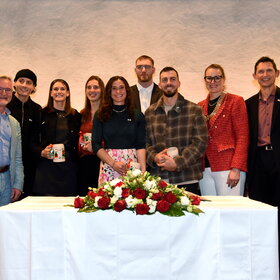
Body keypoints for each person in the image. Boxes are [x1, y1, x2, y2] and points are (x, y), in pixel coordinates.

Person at [145, 67, 208, 195]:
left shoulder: (194, 110)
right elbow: (143, 143)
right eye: (165, 80)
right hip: (158, 180)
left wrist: (177, 163)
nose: (169, 82)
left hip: (187, 179)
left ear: (179, 83)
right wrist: (154, 157)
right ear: (160, 84)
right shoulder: (150, 113)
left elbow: (200, 142)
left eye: (172, 79)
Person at [198, 64, 249, 196]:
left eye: (217, 77)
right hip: (205, 168)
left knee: (231, 211)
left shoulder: (235, 101)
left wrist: (236, 168)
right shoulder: (199, 106)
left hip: (228, 166)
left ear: (224, 79)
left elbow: (243, 136)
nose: (213, 82)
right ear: (204, 80)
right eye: (209, 78)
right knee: (210, 212)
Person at [92, 76, 146, 184]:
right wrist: (113, 163)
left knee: (132, 200)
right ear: (109, 92)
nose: (118, 91)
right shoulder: (100, 114)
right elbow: (95, 144)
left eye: (121, 87)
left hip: (132, 167)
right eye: (114, 88)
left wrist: (143, 171)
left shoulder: (137, 115)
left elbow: (140, 145)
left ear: (127, 90)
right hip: (109, 164)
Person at [31, 79, 81, 196]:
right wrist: (42, 152)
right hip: (46, 168)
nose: (59, 92)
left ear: (68, 93)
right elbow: (31, 142)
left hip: (69, 168)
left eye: (62, 89)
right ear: (51, 93)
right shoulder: (40, 114)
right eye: (56, 89)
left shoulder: (76, 116)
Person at [246, 56, 280, 205]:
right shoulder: (248, 104)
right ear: (255, 76)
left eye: (269, 71)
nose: (265, 75)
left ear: (277, 73)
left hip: (278, 158)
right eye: (261, 71)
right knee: (259, 206)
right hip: (257, 161)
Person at [7, 69, 41, 197]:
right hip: (7, 161)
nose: (24, 85)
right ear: (15, 83)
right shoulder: (6, 104)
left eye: (29, 82)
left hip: (29, 163)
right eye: (21, 81)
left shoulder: (36, 109)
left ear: (33, 88)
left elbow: (36, 138)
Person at [78, 76, 104, 195]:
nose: (92, 90)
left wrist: (96, 146)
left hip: (103, 162)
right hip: (85, 163)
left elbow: (114, 139)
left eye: (96, 87)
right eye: (89, 87)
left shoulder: (107, 114)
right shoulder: (82, 114)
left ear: (102, 90)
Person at [0, 75, 23, 206]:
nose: (3, 93)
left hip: (7, 179)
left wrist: (18, 184)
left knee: (4, 223)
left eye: (7, 90)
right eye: (0, 89)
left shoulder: (14, 123)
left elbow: (18, 157)